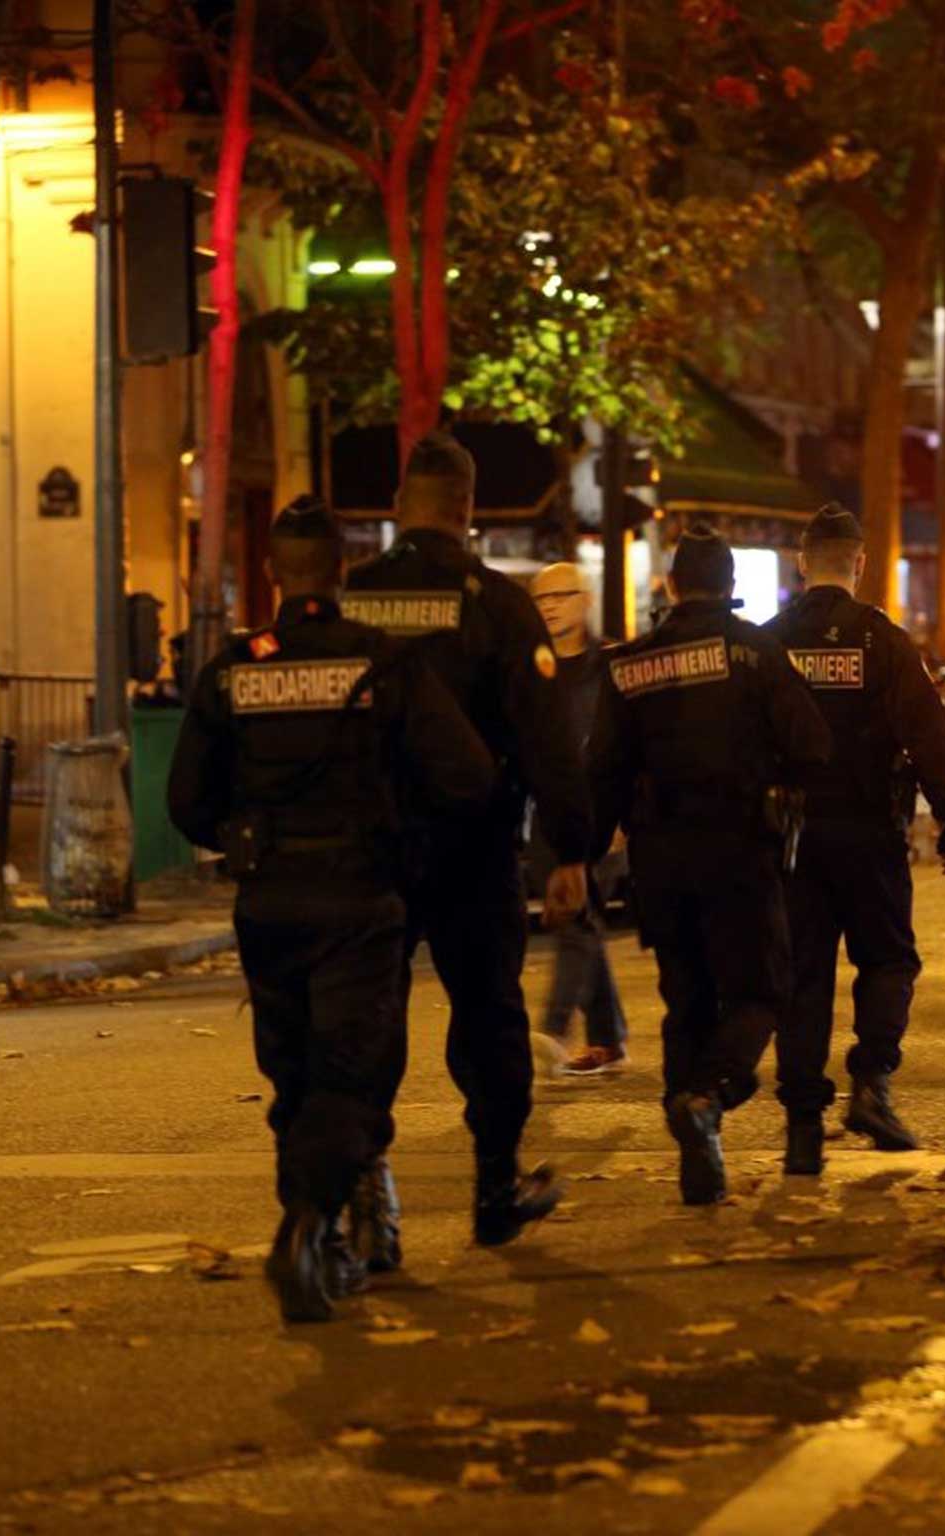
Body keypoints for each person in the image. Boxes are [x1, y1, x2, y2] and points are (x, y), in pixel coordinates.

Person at [167, 498, 497, 1322]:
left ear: (275, 574)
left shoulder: (234, 669)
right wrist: (408, 834)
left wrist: (247, 836)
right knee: (352, 1076)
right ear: (342, 573)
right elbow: (467, 776)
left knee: (295, 1078)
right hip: (359, 899)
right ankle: (310, 1222)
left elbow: (185, 802)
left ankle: (324, 1243)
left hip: (269, 901)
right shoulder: (383, 664)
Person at [342, 433, 592, 1256]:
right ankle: (493, 1186)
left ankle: (370, 1193)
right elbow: (547, 741)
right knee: (486, 1011)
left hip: (371, 845)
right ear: (468, 509)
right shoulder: (496, 603)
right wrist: (569, 851)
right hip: (474, 844)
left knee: (369, 1014)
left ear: (397, 505)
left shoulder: (354, 597)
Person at [591, 524, 832, 1204]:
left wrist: (578, 855)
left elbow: (601, 770)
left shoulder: (630, 664)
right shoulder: (756, 652)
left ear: (671, 586)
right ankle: (710, 1094)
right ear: (730, 588)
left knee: (685, 999)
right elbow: (812, 742)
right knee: (762, 990)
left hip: (660, 858)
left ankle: (697, 1155)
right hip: (739, 850)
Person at [764, 505, 945, 1176]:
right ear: (858, 563)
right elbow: (928, 734)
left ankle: (802, 1127)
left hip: (793, 838)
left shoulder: (768, 642)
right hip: (870, 832)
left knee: (803, 978)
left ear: (803, 562)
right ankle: (871, 1085)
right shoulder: (882, 642)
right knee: (886, 961)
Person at [526, 562, 630, 1077]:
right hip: (548, 815)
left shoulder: (611, 664)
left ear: (584, 599)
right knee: (580, 918)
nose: (549, 606)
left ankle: (555, 1027)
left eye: (560, 596)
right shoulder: (530, 667)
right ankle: (609, 1038)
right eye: (540, 598)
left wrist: (624, 815)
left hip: (602, 813)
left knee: (579, 915)